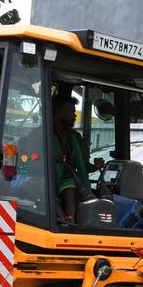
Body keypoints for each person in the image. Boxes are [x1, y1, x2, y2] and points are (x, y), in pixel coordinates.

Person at [51, 92, 105, 222]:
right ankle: (66, 218)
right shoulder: (40, 136)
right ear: (59, 112)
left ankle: (70, 219)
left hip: (69, 183)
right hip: (48, 181)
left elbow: (83, 167)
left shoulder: (76, 138)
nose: (75, 115)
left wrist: (95, 166)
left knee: (70, 185)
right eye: (71, 111)